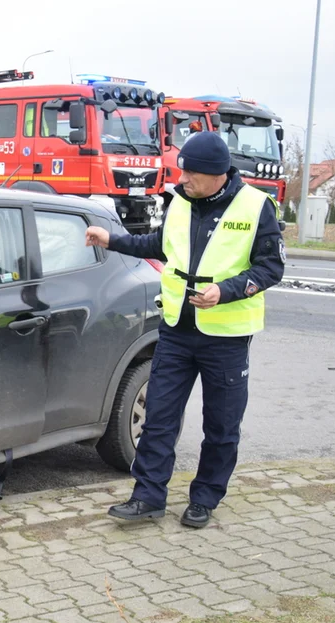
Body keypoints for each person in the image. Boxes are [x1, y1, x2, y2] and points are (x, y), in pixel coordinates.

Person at [84, 131, 285, 528]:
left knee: (221, 426)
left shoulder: (255, 205)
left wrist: (223, 291)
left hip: (225, 336)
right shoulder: (179, 201)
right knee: (159, 417)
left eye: (190, 173)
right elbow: (161, 245)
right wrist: (114, 240)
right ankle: (147, 498)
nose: (183, 178)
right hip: (176, 328)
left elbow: (270, 268)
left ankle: (205, 499)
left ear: (216, 175)